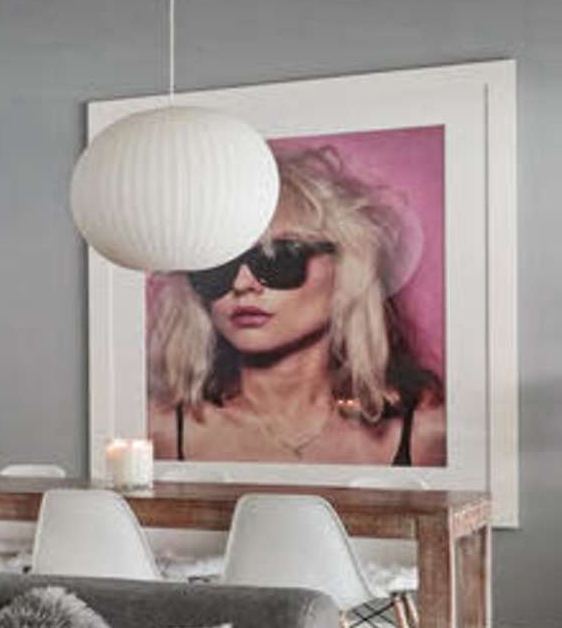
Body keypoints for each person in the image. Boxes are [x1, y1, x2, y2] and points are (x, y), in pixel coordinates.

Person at [147, 142, 449, 466]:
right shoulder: (157, 433)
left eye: (278, 258)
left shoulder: (427, 434)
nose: (241, 284)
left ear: (348, 271)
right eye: (219, 265)